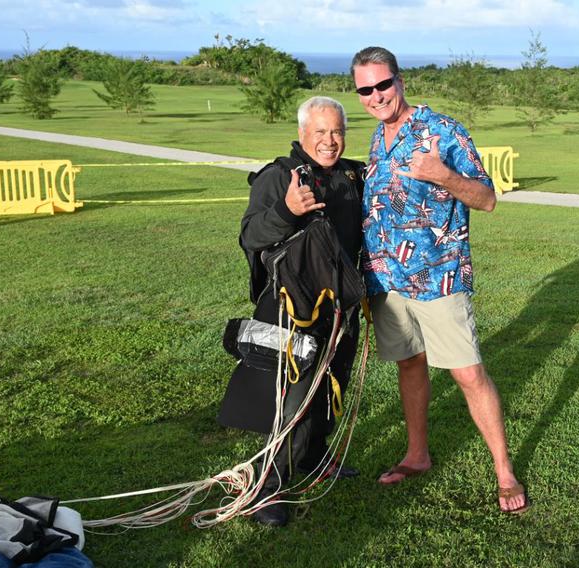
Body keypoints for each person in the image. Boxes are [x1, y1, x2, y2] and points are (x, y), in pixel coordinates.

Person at [351, 46, 529, 514]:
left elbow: (487, 199)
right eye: (365, 89)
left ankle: (505, 472)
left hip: (438, 278)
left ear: (400, 80)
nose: (375, 95)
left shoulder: (442, 131)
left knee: (468, 373)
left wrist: (443, 174)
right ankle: (418, 455)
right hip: (385, 281)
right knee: (409, 364)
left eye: (382, 84)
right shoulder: (377, 137)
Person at [217, 96, 364, 527]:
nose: (329, 140)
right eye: (320, 132)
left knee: (331, 385)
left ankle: (314, 458)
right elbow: (250, 235)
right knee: (292, 398)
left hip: (341, 307)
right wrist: (287, 210)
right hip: (292, 309)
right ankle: (267, 488)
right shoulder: (279, 177)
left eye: (336, 131)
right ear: (302, 134)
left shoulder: (352, 176)